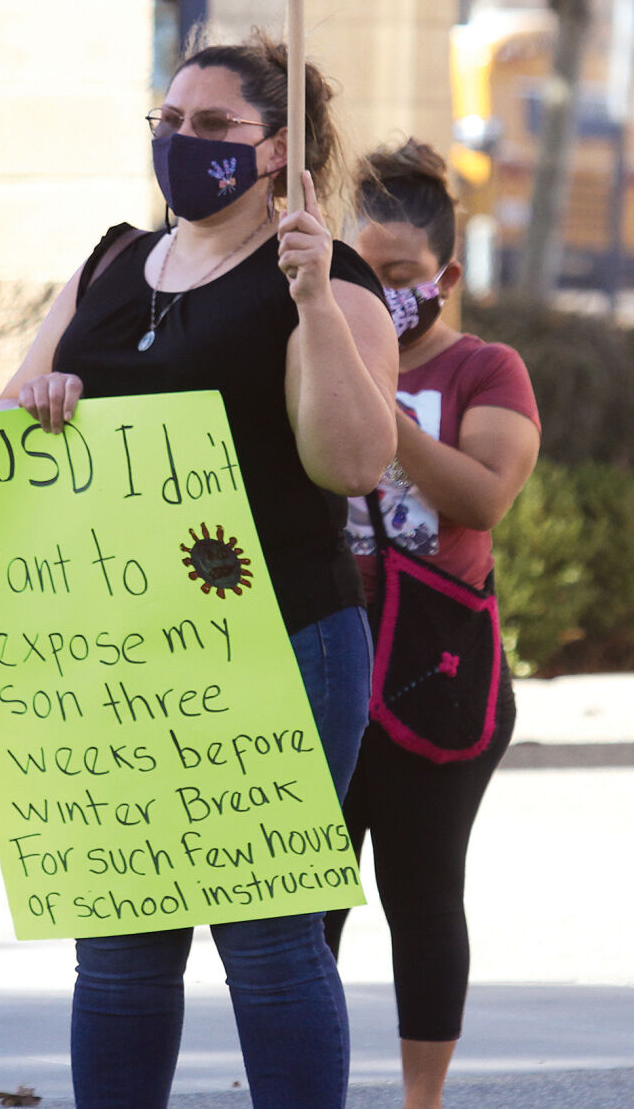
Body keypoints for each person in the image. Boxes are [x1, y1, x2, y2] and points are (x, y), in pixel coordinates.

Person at [0, 34, 398, 1109]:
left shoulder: (327, 275)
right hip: (127, 649)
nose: (184, 143)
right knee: (120, 952)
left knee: (268, 942)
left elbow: (353, 461)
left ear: (278, 153)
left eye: (215, 128)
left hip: (278, 636)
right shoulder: (113, 264)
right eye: (170, 122)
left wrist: (313, 304)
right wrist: (37, 410)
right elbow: (3, 435)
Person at [325, 139, 540, 1109]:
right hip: (321, 664)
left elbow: (485, 498)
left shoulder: (486, 370)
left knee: (420, 896)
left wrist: (379, 411)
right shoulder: (301, 359)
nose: (378, 292)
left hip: (431, 675)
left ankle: (423, 1100)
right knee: (303, 913)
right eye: (359, 273)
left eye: (401, 275)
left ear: (445, 276)